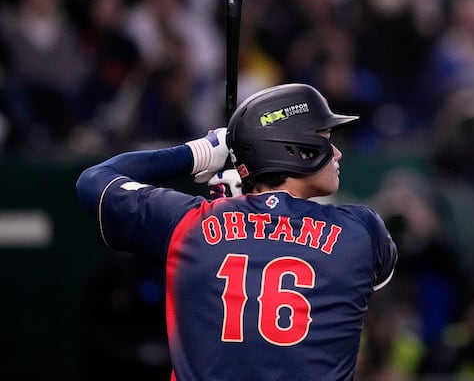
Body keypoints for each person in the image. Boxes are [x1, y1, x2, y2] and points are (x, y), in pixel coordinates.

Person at [76, 83, 397, 380]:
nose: (337, 153)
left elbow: (95, 181)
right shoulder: (361, 230)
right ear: (299, 150)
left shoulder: (189, 223)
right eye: (327, 139)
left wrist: (200, 153)